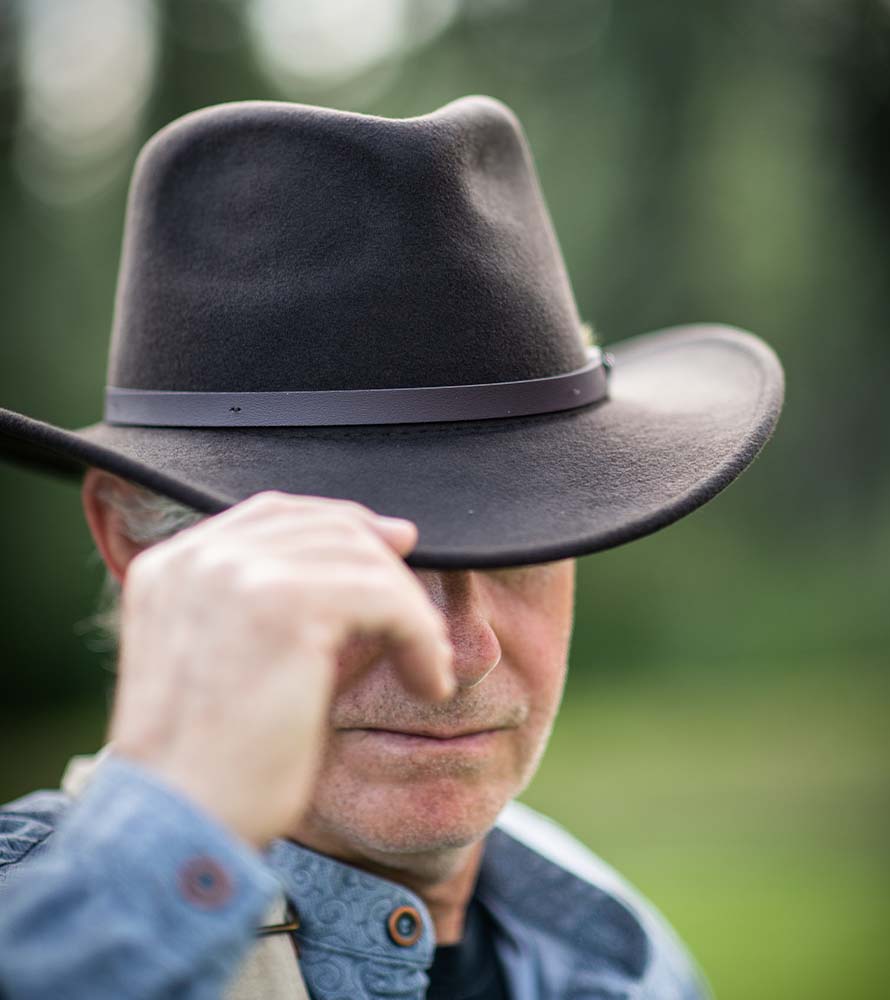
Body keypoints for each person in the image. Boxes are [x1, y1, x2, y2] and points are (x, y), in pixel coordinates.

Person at [0, 96, 784, 999]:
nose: (460, 654)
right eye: (356, 558)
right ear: (137, 547)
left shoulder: (623, 960)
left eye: (519, 541)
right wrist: (173, 842)